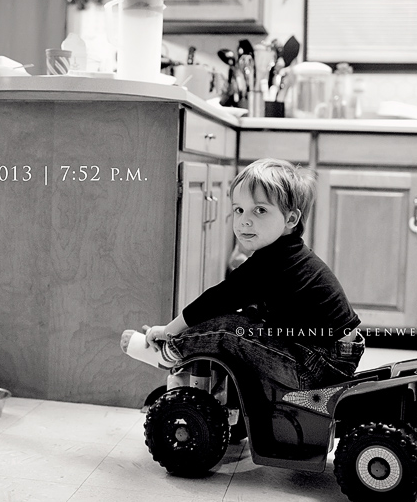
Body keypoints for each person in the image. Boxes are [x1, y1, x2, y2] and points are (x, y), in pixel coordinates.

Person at [122, 158, 364, 396]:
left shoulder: (271, 262)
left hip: (315, 365)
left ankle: (169, 352)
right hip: (328, 355)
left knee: (229, 330)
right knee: (246, 317)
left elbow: (216, 299)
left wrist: (170, 329)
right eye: (239, 209)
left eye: (260, 210)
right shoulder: (287, 253)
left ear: (291, 219)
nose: (244, 220)